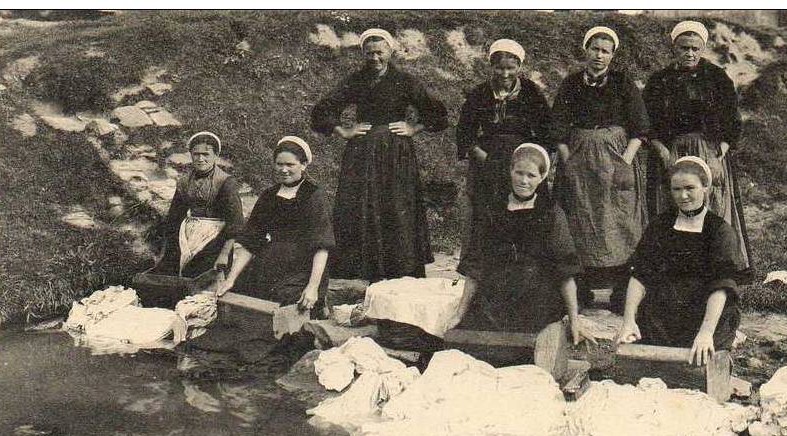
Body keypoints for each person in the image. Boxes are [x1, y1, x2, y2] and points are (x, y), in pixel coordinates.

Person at [310, 28, 448, 281]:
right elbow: (324, 108)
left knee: (396, 204)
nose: (375, 58)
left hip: (397, 153)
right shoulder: (356, 80)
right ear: (364, 53)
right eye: (369, 53)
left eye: (380, 52)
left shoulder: (405, 81)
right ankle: (362, 269)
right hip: (362, 152)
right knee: (360, 204)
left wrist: (413, 127)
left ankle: (400, 268)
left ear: (390, 51)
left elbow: (437, 112)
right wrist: (344, 131)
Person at [643, 20, 753, 279]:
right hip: (672, 152)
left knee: (712, 204)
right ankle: (674, 268)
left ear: (703, 47)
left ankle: (716, 266)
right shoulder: (660, 80)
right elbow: (648, 124)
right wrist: (664, 153)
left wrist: (719, 155)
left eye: (695, 48)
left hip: (710, 151)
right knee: (674, 204)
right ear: (674, 48)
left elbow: (731, 122)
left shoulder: (717, 77)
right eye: (683, 48)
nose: (689, 53)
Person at [551, 26, 649, 311]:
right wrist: (568, 161)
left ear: (613, 55)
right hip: (579, 159)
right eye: (595, 48)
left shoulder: (622, 83)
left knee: (620, 221)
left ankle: (622, 292)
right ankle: (580, 290)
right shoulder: (570, 84)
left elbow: (640, 129)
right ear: (586, 50)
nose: (599, 55)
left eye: (605, 51)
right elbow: (557, 128)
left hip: (617, 158)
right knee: (579, 218)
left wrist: (625, 162)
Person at [453, 144, 591, 345]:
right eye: (519, 173)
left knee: (530, 345)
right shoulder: (493, 210)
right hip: (496, 294)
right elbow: (476, 267)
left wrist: (575, 320)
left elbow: (565, 272)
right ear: (510, 171)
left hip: (536, 297)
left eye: (531, 175)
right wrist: (459, 313)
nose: (523, 181)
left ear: (542, 178)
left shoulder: (550, 214)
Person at [615, 157, 746, 366]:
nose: (683, 196)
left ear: (705, 187)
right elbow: (640, 274)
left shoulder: (719, 231)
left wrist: (706, 332)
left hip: (704, 313)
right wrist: (628, 319)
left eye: (689, 188)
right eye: (676, 189)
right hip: (664, 314)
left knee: (701, 365)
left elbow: (721, 287)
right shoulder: (660, 225)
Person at [216, 136, 334, 318]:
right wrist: (231, 279)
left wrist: (313, 287)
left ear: (303, 165)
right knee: (240, 293)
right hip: (271, 262)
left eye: (290, 164)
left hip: (304, 267)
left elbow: (322, 245)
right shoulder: (269, 195)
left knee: (285, 302)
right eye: (279, 164)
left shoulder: (314, 195)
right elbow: (251, 241)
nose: (284, 170)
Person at [456, 38, 553, 251]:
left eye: (511, 68)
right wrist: (484, 158)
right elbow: (465, 132)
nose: (505, 74)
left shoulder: (530, 92)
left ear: (519, 66)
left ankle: (527, 256)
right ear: (492, 66)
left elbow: (547, 130)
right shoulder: (480, 93)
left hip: (523, 160)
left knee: (526, 207)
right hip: (488, 159)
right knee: (487, 211)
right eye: (500, 68)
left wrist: (534, 158)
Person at [153, 131, 244, 278]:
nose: (200, 159)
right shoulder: (184, 182)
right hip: (188, 234)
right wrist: (165, 252)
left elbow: (236, 223)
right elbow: (174, 218)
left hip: (216, 237)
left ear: (215, 155)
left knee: (204, 276)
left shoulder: (225, 182)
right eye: (196, 154)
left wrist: (224, 254)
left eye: (206, 154)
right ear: (191, 155)